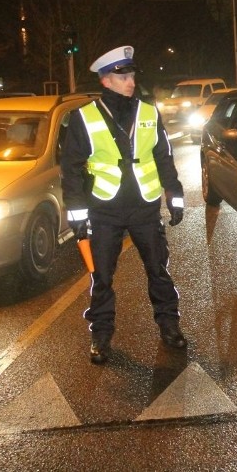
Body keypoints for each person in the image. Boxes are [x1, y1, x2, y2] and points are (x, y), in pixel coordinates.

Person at [60, 45, 187, 364]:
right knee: (101, 276)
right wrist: (77, 215)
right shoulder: (83, 117)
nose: (130, 81)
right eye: (123, 76)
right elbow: (71, 170)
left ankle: (169, 325)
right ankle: (101, 335)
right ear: (106, 80)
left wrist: (174, 194)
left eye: (131, 75)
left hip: (144, 207)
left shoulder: (148, 111)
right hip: (105, 210)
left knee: (158, 269)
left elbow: (163, 156)